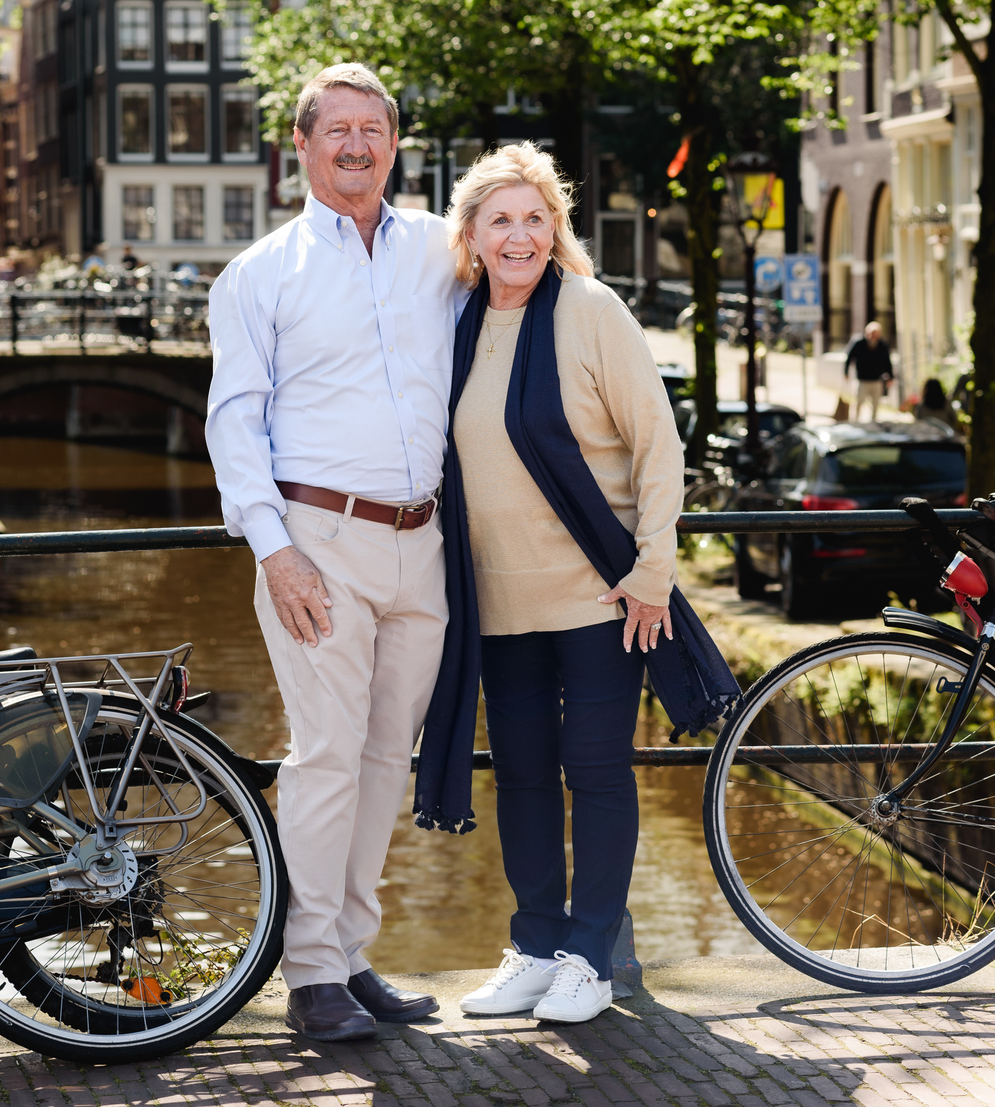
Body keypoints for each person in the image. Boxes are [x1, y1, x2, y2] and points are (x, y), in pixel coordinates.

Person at [205, 62, 460, 1042]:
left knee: (385, 756)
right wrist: (276, 552)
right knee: (324, 758)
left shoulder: (440, 247)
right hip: (319, 542)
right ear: (301, 148)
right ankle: (310, 973)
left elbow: (532, 253)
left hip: (420, 538)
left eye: (374, 128)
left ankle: (352, 954)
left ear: (394, 143)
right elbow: (235, 423)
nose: (357, 143)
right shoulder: (260, 274)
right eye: (337, 129)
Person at [417, 142, 684, 1025]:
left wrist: (653, 572)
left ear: (556, 229)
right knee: (524, 777)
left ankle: (591, 955)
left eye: (536, 218)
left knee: (598, 772)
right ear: (473, 236)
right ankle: (535, 947)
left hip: (599, 597)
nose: (520, 235)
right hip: (496, 602)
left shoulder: (590, 311)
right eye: (501, 219)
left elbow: (657, 444)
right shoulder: (456, 322)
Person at [844, 321, 893, 421]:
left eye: (876, 334)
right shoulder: (859, 343)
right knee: (859, 402)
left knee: (875, 404)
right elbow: (849, 358)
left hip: (876, 380)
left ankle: (873, 422)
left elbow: (887, 361)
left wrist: (891, 377)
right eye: (872, 334)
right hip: (862, 380)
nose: (874, 337)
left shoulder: (882, 345)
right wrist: (846, 372)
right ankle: (856, 421)